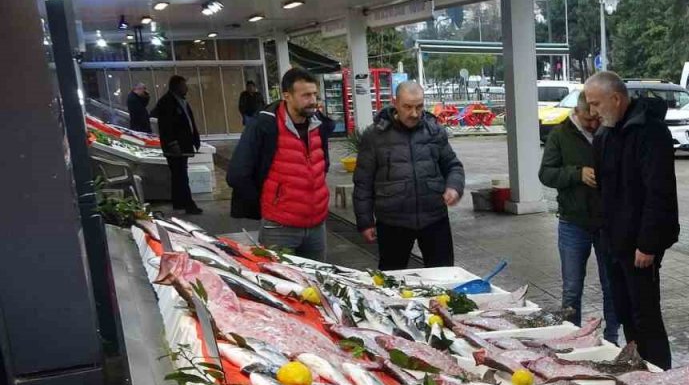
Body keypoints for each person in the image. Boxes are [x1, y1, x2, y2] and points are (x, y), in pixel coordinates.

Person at [584, 71, 679, 370]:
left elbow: (658, 193)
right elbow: (603, 191)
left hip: (641, 245)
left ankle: (661, 375)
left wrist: (648, 244)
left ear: (616, 98)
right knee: (625, 312)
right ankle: (638, 370)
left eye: (596, 104)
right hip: (613, 240)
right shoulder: (606, 134)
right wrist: (602, 234)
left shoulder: (651, 133)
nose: (592, 112)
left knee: (646, 315)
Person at [353, 81, 465, 270]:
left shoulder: (434, 131)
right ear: (395, 103)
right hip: (392, 222)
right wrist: (365, 222)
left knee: (444, 275)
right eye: (407, 107)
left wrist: (454, 187)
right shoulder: (375, 136)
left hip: (434, 219)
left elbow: (453, 166)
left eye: (419, 107)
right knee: (392, 279)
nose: (414, 113)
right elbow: (363, 182)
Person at [228, 67, 333, 261]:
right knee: (282, 286)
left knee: (317, 285)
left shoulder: (319, 125)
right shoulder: (264, 125)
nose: (312, 101)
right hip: (279, 228)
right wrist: (271, 205)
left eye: (314, 95)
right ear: (287, 96)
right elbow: (237, 174)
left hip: (317, 226)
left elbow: (322, 165)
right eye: (306, 95)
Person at [539, 92, 620, 344]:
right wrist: (576, 174)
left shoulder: (608, 132)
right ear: (577, 111)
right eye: (588, 120)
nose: (593, 124)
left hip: (607, 223)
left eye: (596, 118)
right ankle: (571, 338)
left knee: (612, 287)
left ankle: (611, 339)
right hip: (573, 222)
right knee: (572, 288)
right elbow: (546, 174)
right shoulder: (560, 135)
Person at [152, 75, 202, 215]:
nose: (186, 88)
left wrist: (194, 139)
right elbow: (166, 126)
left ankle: (179, 202)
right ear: (176, 86)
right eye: (183, 85)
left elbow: (188, 121)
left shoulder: (181, 101)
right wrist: (173, 144)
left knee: (179, 174)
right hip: (175, 147)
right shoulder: (167, 102)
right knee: (180, 175)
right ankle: (188, 204)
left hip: (183, 144)